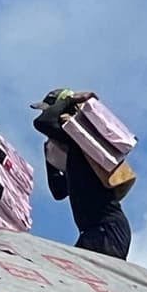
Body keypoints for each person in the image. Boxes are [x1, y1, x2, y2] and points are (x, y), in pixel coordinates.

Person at [32, 88, 133, 260]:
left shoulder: (79, 141)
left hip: (105, 229)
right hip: (99, 230)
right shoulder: (75, 154)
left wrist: (70, 100)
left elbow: (42, 123)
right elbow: (59, 191)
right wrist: (50, 160)